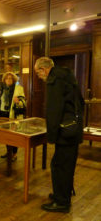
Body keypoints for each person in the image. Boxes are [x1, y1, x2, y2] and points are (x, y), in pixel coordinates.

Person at [34, 57, 84, 213]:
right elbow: (80, 102)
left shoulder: (54, 80)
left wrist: (51, 136)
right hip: (73, 129)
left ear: (44, 69)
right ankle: (62, 193)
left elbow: (54, 111)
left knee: (59, 166)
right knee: (66, 164)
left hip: (65, 132)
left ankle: (62, 202)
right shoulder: (68, 76)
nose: (38, 76)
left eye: (37, 72)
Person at [0, 69, 26, 162]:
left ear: (14, 80)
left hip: (13, 115)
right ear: (4, 80)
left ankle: (14, 154)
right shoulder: (1, 88)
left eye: (10, 79)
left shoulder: (19, 88)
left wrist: (18, 101)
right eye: (7, 78)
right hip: (2, 113)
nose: (8, 80)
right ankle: (8, 151)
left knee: (13, 135)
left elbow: (24, 102)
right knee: (5, 135)